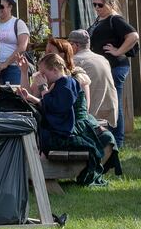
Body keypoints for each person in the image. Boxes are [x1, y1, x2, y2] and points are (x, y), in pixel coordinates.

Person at [15, 52, 119, 185]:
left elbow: (58, 107)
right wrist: (30, 98)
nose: (42, 76)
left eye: (44, 73)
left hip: (68, 130)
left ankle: (40, 172)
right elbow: (50, 104)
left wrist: (42, 88)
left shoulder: (67, 82)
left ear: (55, 70)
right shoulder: (60, 83)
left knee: (43, 137)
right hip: (63, 128)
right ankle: (34, 171)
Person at [88, 0, 136, 146]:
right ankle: (108, 137)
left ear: (109, 3)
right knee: (108, 101)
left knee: (115, 102)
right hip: (105, 68)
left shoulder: (114, 18)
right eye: (94, 5)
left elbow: (133, 36)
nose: (96, 8)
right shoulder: (99, 20)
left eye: (100, 5)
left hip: (116, 66)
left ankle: (118, 141)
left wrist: (118, 51)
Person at [69, 29, 118, 130]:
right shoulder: (103, 59)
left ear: (75, 45)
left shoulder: (75, 61)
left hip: (90, 117)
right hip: (109, 112)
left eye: (70, 44)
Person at [0, 0, 30, 85]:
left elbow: (22, 47)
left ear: (10, 7)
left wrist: (6, 63)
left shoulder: (18, 24)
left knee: (13, 95)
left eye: (1, 7)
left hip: (13, 67)